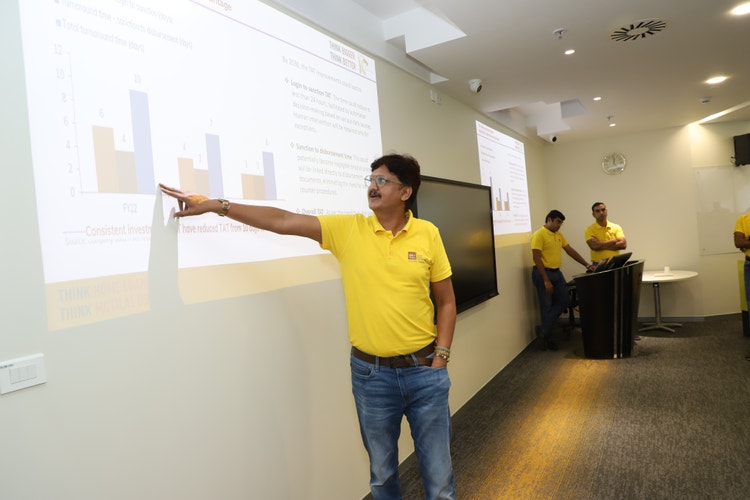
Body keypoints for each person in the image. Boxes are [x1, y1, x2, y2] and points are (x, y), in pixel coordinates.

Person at [160, 154, 457, 499]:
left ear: (405, 192)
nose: (372, 187)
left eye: (382, 180)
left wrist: (441, 356)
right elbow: (283, 220)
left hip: (425, 372)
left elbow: (446, 302)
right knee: (382, 475)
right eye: (371, 179)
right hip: (372, 377)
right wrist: (217, 205)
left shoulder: (427, 234)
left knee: (439, 480)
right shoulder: (349, 230)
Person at [531, 210, 595, 350]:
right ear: (549, 220)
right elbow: (536, 258)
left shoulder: (558, 234)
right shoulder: (538, 235)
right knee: (546, 306)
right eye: (558, 222)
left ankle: (544, 330)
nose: (560, 225)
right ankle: (548, 339)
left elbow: (570, 251)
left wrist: (587, 265)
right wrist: (546, 280)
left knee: (565, 301)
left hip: (557, 273)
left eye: (561, 223)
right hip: (542, 274)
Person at [733, 212, 750, 361]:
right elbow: (738, 242)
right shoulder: (744, 219)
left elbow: (744, 243)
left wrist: (748, 241)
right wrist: (743, 242)